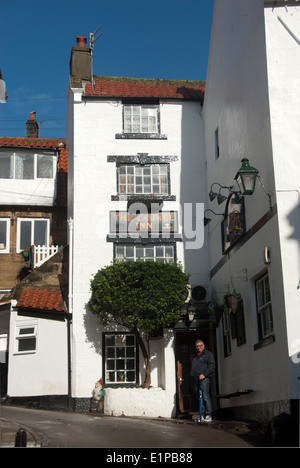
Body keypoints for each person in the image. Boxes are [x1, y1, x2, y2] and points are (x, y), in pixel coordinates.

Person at [190, 339, 215, 421]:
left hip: (204, 378)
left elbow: (211, 366)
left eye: (201, 346)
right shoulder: (195, 355)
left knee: (206, 396)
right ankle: (202, 415)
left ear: (204, 345)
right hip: (196, 379)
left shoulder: (208, 354)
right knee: (199, 397)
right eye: (197, 346)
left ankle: (209, 415)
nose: (199, 347)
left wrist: (204, 374)